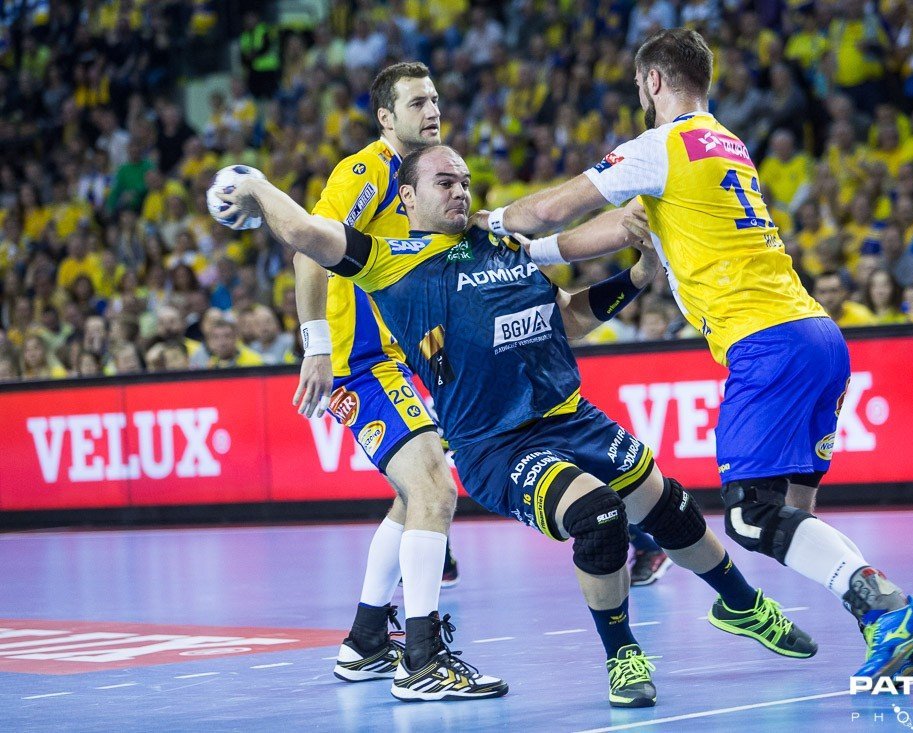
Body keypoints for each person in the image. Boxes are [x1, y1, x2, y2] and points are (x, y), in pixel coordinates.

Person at [214, 144, 815, 708]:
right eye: (444, 182)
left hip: (571, 416)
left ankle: (743, 605)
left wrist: (633, 281)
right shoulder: (385, 261)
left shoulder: (501, 243)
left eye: (465, 182)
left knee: (670, 510)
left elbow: (569, 319)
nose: (460, 191)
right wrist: (258, 187)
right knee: (600, 517)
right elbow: (305, 233)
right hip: (497, 446)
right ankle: (624, 657)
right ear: (407, 198)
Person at [475, 28, 913, 681]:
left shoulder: (659, 144)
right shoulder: (724, 143)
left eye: (640, 85)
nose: (640, 95)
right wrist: (536, 255)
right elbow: (621, 227)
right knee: (788, 517)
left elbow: (554, 206)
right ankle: (889, 631)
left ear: (654, 81)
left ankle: (890, 607)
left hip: (766, 344)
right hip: (818, 336)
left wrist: (493, 226)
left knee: (750, 518)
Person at [291, 62, 471, 695]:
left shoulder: (424, 177)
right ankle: (422, 659)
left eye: (435, 98)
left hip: (397, 359)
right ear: (386, 118)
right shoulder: (368, 172)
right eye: (417, 102)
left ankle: (367, 639)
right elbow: (309, 247)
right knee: (434, 490)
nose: (433, 109)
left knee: (412, 494)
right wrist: (316, 348)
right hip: (359, 363)